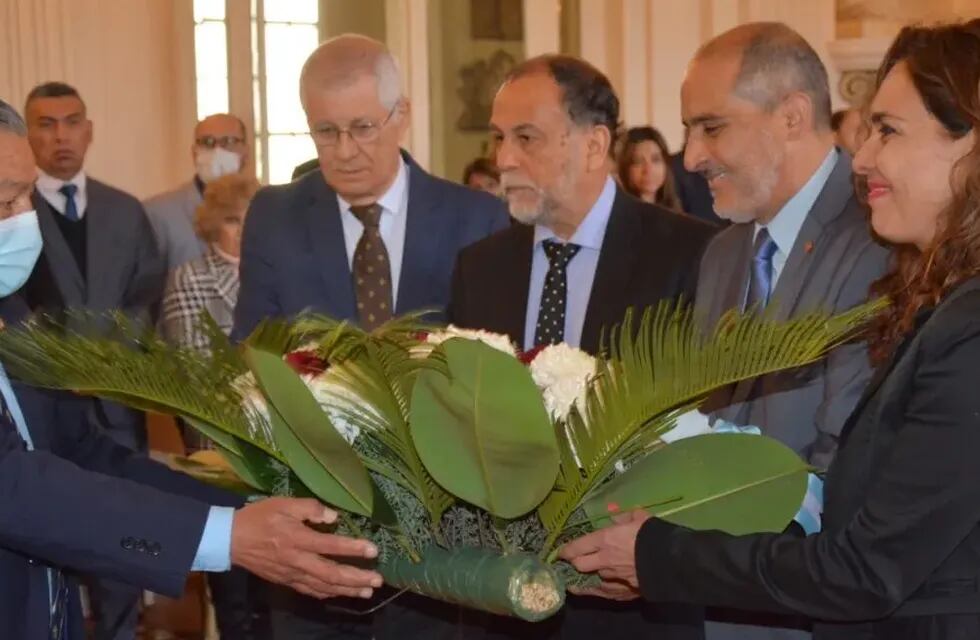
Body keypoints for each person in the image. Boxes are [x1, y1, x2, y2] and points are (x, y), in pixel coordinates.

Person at [561, 19, 980, 640]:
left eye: (887, 131)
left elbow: (865, 562)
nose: (863, 158)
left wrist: (658, 555)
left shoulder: (962, 324)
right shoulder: (940, 301)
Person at [0, 98, 383, 640]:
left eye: (26, 195)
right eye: (4, 202)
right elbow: (15, 486)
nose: (25, 220)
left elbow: (82, 452)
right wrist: (225, 535)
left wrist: (253, 508)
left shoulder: (9, 311)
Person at [232, 33, 509, 640]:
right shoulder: (275, 217)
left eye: (362, 126)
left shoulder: (475, 218)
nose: (345, 151)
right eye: (324, 131)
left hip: (442, 537)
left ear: (401, 115)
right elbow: (249, 360)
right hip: (315, 530)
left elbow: (496, 381)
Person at [447, 54, 716, 639]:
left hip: (633, 606)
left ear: (595, 146)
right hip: (503, 600)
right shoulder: (479, 268)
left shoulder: (690, 256)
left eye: (526, 138)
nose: (503, 160)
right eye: (498, 138)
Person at [668, 22, 892, 640]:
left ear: (791, 116)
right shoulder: (722, 254)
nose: (690, 157)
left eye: (711, 128)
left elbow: (844, 465)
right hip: (718, 607)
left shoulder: (879, 238)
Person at [20, 81, 170, 640]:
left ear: (89, 129)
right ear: (26, 133)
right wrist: (62, 364)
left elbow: (147, 296)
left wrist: (103, 362)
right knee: (48, 542)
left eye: (71, 121)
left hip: (116, 407)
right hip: (39, 407)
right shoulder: (12, 211)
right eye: (46, 123)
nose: (61, 135)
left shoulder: (125, 210)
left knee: (124, 540)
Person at [162, 173, 258, 353]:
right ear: (212, 225)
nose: (243, 230)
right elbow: (192, 363)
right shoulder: (190, 278)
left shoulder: (276, 271)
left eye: (252, 219)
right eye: (232, 221)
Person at [144, 113, 251, 273]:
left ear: (246, 152)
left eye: (228, 142)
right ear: (194, 153)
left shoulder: (267, 209)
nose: (217, 151)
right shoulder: (157, 212)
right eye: (207, 142)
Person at [616, 126, 682, 211]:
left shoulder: (676, 211)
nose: (648, 170)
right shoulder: (619, 212)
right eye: (638, 161)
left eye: (656, 160)